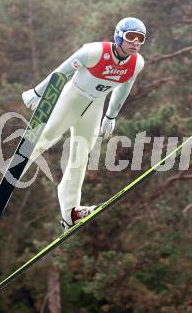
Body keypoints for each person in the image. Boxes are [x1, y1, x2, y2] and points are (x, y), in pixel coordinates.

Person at [21, 17, 146, 229]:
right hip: (72, 99)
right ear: (118, 36)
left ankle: (70, 212)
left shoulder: (137, 63)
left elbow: (123, 89)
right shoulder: (94, 52)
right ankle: (6, 183)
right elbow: (62, 71)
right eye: (130, 37)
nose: (135, 42)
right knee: (44, 139)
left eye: (140, 38)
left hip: (95, 106)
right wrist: (37, 91)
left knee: (82, 153)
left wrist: (111, 116)